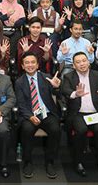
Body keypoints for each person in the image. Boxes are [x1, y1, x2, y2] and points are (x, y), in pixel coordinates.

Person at [62, 52, 98, 176]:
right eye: (78, 62)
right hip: (78, 113)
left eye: (84, 61)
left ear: (89, 62)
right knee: (81, 130)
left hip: (95, 113)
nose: (82, 64)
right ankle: (78, 161)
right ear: (74, 65)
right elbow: (64, 90)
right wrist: (75, 94)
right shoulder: (69, 76)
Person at [14, 51, 62, 179]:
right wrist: (30, 116)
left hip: (47, 113)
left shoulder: (46, 77)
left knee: (55, 129)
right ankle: (28, 161)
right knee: (26, 129)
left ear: (37, 65)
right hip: (29, 114)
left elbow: (58, 95)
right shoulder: (19, 82)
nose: (30, 65)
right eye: (27, 63)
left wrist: (56, 87)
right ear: (23, 66)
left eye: (32, 62)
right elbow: (21, 103)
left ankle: (50, 162)